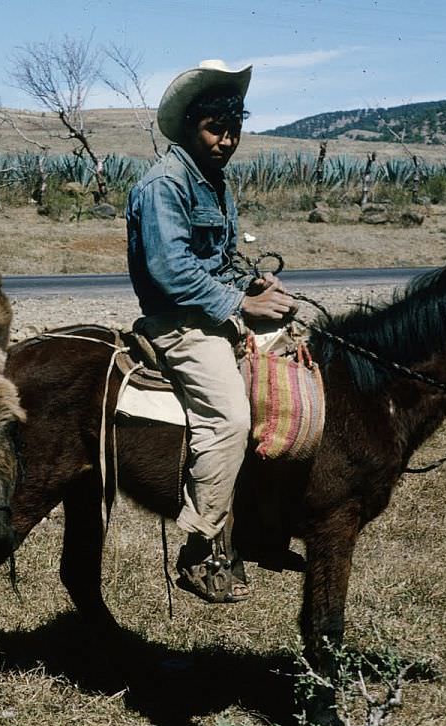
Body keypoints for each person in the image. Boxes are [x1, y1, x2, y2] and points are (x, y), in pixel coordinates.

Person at [126, 60, 297, 603]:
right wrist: (243, 309)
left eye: (233, 130)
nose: (226, 141)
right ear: (192, 125)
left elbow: (218, 259)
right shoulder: (164, 185)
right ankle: (199, 547)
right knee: (229, 418)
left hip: (215, 312)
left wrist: (252, 283)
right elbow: (171, 270)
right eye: (215, 129)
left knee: (290, 380)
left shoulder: (215, 181)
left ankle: (262, 527)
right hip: (177, 323)